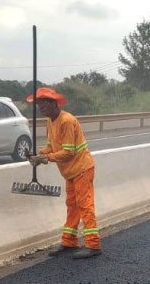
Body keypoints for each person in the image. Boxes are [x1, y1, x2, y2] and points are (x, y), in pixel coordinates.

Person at [28, 87, 102, 259]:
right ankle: (69, 241)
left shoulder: (67, 121)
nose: (41, 107)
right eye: (39, 104)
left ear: (55, 103)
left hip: (82, 169)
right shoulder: (50, 121)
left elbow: (68, 151)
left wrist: (45, 159)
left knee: (85, 206)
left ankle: (93, 244)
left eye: (45, 103)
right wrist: (39, 154)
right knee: (72, 207)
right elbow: (51, 146)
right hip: (70, 172)